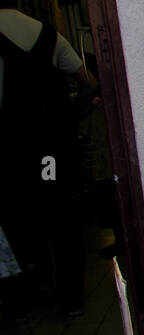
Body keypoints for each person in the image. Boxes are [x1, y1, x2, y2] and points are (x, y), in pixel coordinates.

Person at [0, 4, 98, 317]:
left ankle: (32, 291)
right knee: (63, 218)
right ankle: (71, 298)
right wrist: (71, 112)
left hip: (11, 148)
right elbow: (89, 83)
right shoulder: (49, 35)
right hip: (53, 147)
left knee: (19, 217)